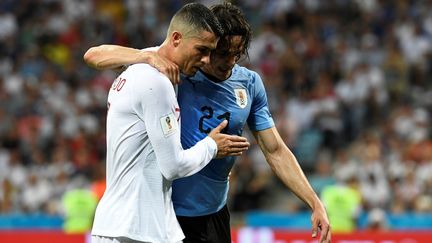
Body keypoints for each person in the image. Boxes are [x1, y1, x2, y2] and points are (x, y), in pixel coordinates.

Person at [84, 2, 331, 243]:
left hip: (215, 214)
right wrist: (146, 57)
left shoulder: (249, 84)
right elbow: (94, 55)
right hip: (169, 213)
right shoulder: (176, 68)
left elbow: (275, 150)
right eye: (223, 53)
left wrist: (314, 202)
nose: (231, 61)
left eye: (238, 53)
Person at [88, 3, 250, 243]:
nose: (206, 60)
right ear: (176, 38)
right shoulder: (156, 81)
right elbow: (173, 166)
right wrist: (212, 146)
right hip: (135, 230)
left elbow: (93, 54)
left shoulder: (146, 66)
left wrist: (143, 55)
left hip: (131, 224)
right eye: (201, 50)